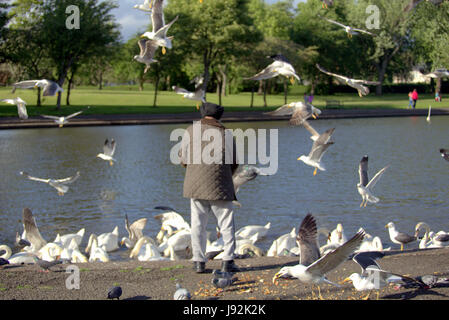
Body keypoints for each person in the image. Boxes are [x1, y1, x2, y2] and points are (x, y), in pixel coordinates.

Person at [179, 102, 240, 274]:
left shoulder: (190, 131)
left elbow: (183, 159)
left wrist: (194, 170)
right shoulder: (226, 133)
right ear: (219, 116)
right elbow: (234, 161)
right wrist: (226, 176)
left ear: (203, 114)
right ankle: (227, 260)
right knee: (226, 223)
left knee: (198, 224)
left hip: (195, 185)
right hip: (220, 184)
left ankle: (199, 261)